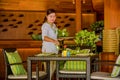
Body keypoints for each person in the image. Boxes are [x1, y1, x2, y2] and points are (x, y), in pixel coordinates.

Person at [41, 9, 60, 80]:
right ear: (46, 16)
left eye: (54, 16)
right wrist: (54, 41)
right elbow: (44, 37)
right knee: (49, 71)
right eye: (51, 16)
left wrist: (57, 41)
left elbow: (54, 37)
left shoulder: (54, 25)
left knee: (52, 71)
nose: (53, 18)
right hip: (47, 51)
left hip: (54, 50)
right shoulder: (45, 25)